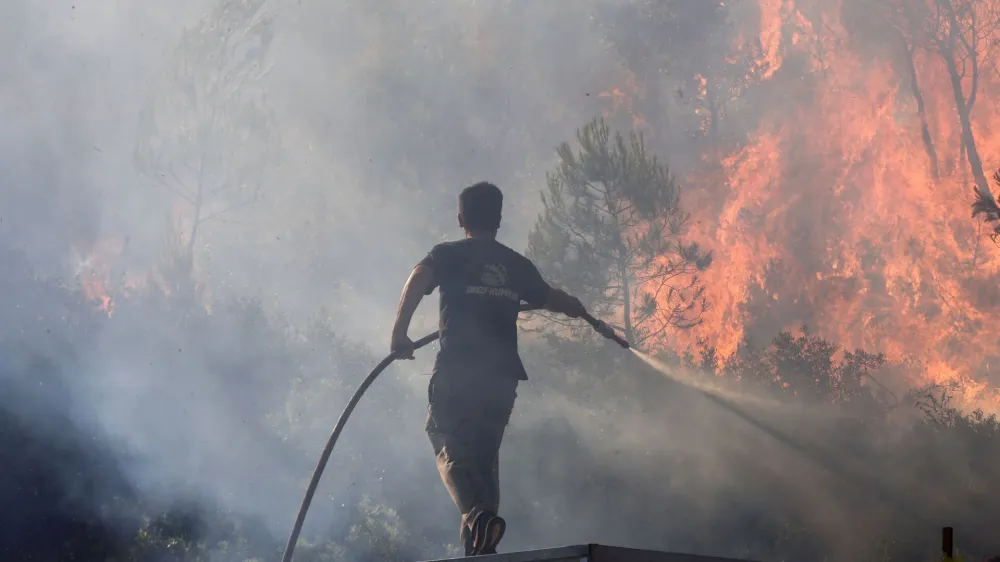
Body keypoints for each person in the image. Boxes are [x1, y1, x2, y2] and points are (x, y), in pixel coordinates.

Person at [390, 181, 587, 556]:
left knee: (443, 439)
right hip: (500, 381)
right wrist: (575, 306)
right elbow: (550, 297)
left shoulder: (447, 254)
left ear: (460, 218)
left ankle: (477, 516)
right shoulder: (516, 265)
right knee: (483, 463)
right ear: (498, 219)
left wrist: (399, 334)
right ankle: (483, 548)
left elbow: (419, 277)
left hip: (458, 372)